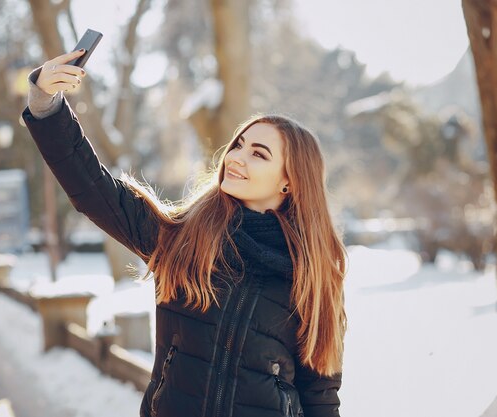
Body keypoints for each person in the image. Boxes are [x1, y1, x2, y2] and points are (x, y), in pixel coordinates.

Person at [23, 49, 347, 417]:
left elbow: (320, 396)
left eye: (259, 154)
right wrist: (46, 105)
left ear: (290, 181)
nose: (236, 157)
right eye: (238, 144)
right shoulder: (183, 238)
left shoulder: (312, 275)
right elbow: (93, 190)